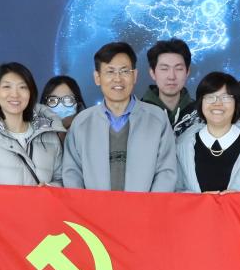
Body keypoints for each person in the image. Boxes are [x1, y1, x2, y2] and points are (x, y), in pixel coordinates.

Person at [59, 42, 178, 192]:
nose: (117, 79)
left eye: (124, 71)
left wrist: (149, 206)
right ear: (97, 77)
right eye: (110, 72)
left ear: (134, 75)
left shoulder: (157, 119)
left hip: (146, 207)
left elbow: (166, 172)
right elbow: (72, 173)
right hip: (92, 207)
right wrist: (85, 205)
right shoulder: (82, 122)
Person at [0, 61, 66, 185]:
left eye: (22, 87)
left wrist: (49, 188)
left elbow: (62, 181)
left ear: (31, 93)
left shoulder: (50, 137)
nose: (15, 94)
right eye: (7, 87)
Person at [141, 38, 199, 136]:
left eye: (179, 69)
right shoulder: (136, 114)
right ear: (152, 73)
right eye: (164, 69)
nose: (171, 76)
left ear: (187, 72)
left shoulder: (201, 114)